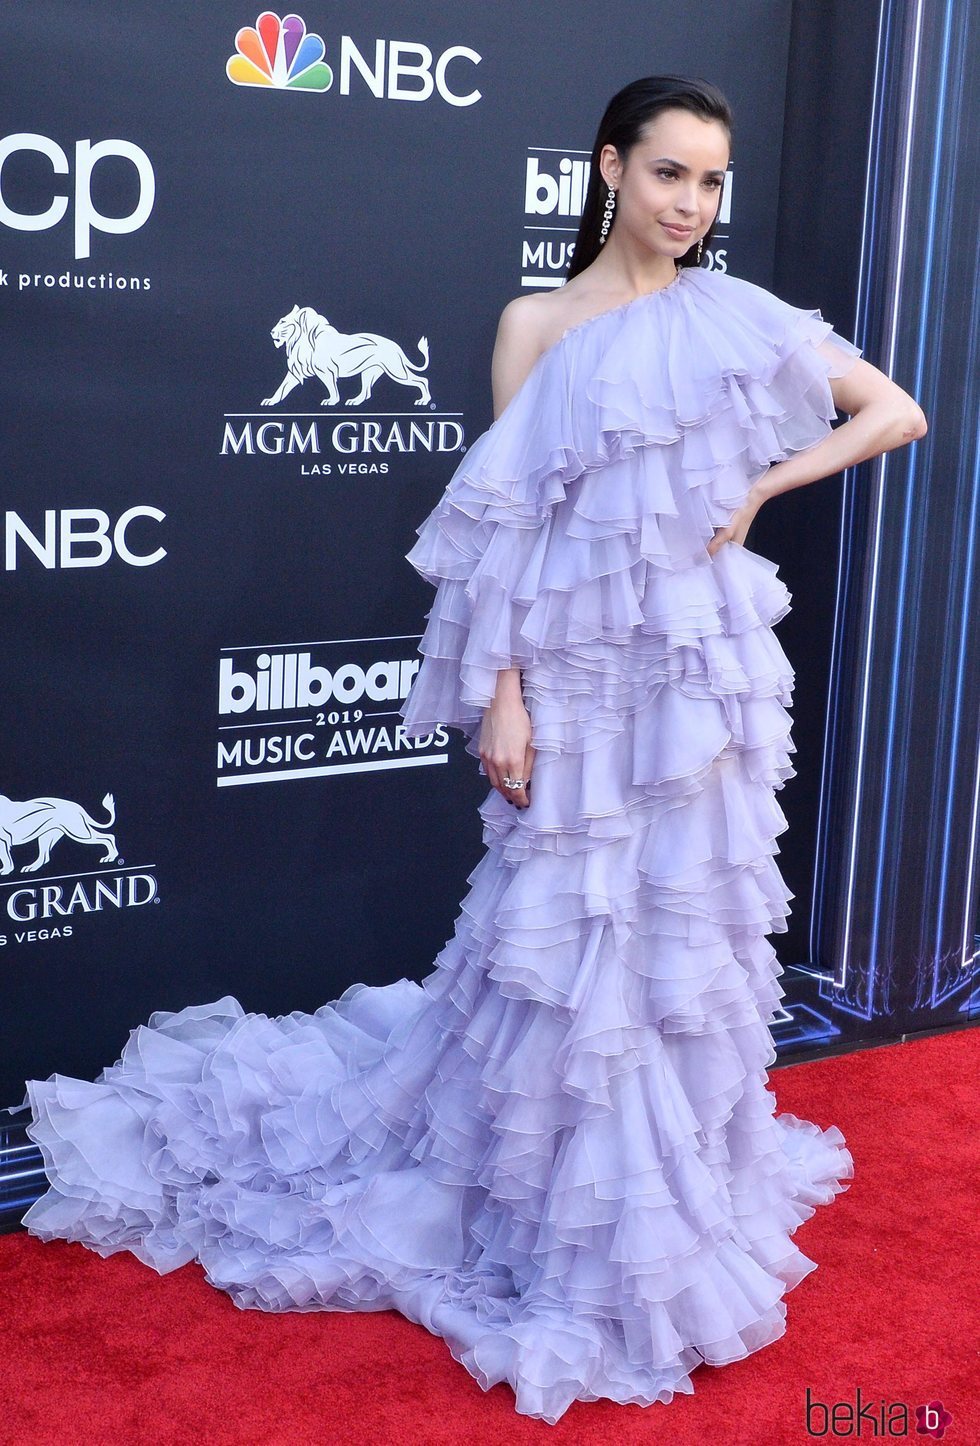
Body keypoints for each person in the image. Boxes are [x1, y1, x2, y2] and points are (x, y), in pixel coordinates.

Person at [16, 76, 925, 1427]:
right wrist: (503, 690)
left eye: (713, 183)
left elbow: (893, 409)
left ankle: (660, 1202)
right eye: (670, 173)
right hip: (579, 673)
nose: (691, 205)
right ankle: (565, 1209)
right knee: (565, 937)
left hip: (699, 674)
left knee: (682, 935)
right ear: (610, 167)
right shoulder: (537, 323)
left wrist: (758, 485)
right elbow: (508, 527)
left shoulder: (736, 317)